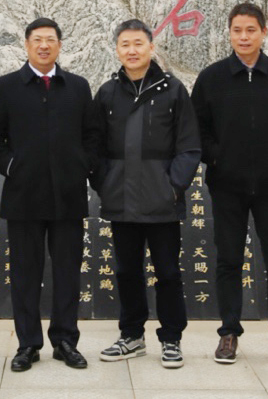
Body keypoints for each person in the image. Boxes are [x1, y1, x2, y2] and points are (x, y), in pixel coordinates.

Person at [191, 2, 268, 366]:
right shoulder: (212, 78)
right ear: (229, 33)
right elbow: (196, 130)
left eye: (250, 30)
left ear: (264, 32)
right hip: (226, 186)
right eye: (237, 30)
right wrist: (217, 158)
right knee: (229, 260)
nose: (243, 37)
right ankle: (229, 332)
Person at [0, 17, 98, 372]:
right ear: (27, 44)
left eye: (50, 39)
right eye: (37, 39)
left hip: (68, 196)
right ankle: (28, 343)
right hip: (24, 197)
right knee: (25, 275)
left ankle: (65, 341)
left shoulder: (77, 87)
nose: (44, 45)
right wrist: (12, 166)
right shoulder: (5, 87)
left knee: (67, 273)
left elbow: (92, 136)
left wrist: (81, 166)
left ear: (60, 45)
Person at [92, 19, 200, 369]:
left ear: (151, 48)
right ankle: (131, 335)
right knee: (127, 271)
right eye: (125, 44)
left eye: (138, 43)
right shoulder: (107, 93)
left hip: (162, 201)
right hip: (121, 199)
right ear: (117, 50)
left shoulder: (173, 90)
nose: (132, 50)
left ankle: (171, 339)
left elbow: (189, 146)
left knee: (167, 271)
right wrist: (106, 182)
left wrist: (173, 187)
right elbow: (93, 146)